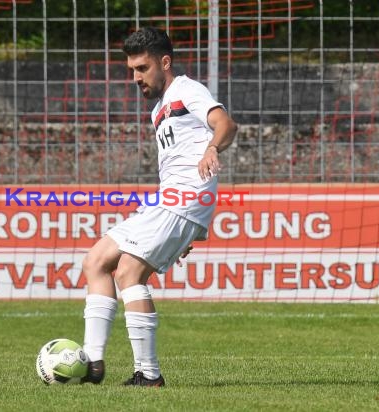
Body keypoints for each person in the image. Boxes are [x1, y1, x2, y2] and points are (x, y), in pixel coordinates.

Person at [81, 26, 237, 387]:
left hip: (183, 199)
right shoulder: (159, 109)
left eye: (142, 68)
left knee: (128, 274)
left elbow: (226, 124)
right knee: (95, 262)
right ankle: (92, 363)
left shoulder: (187, 90)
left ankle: (148, 375)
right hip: (170, 201)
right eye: (132, 70)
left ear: (164, 62)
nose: (135, 77)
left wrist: (213, 147)